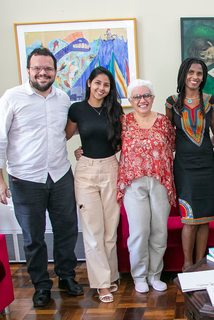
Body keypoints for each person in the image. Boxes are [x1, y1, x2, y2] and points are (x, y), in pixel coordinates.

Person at [0, 48, 83, 307]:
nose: (42, 72)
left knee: (67, 231)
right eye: (37, 68)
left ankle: (66, 276)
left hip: (60, 174)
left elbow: (65, 133)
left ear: (55, 71)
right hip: (25, 179)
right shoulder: (12, 97)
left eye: (48, 68)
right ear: (28, 70)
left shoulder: (63, 99)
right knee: (33, 236)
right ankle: (41, 285)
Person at [65, 67, 123, 303]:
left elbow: (119, 143)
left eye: (106, 85)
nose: (101, 88)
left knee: (110, 230)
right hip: (86, 172)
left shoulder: (115, 110)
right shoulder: (77, 109)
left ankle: (110, 276)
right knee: (92, 231)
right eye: (98, 83)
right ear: (89, 83)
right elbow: (66, 136)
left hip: (112, 168)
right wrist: (79, 151)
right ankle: (101, 285)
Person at [117, 79, 176, 293]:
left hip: (160, 181)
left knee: (159, 231)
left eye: (146, 96)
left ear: (152, 98)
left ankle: (155, 275)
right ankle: (139, 276)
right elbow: (109, 145)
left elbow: (173, 146)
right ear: (131, 100)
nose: (142, 100)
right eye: (137, 96)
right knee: (140, 231)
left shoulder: (163, 122)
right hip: (133, 183)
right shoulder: (123, 122)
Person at [165, 58, 214, 272]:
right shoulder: (171, 102)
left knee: (205, 218)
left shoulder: (211, 101)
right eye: (191, 72)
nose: (195, 77)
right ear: (183, 74)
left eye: (199, 73)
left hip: (208, 164)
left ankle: (201, 263)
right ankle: (188, 265)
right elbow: (168, 136)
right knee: (189, 219)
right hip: (185, 167)